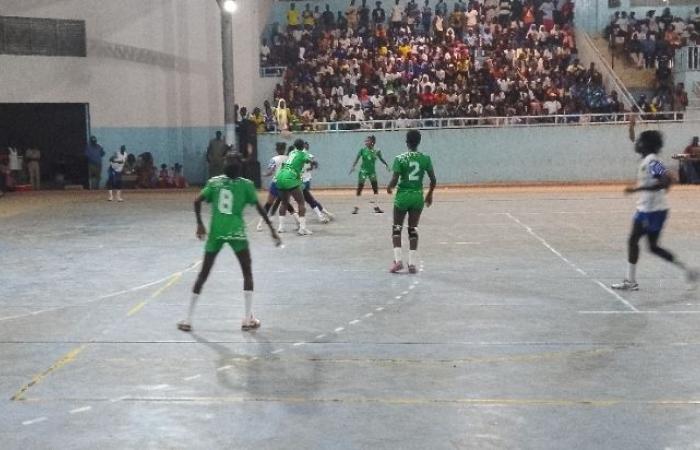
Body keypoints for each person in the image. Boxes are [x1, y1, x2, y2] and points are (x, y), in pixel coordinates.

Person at [178, 155, 281, 332]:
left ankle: (187, 319)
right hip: (237, 233)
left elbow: (197, 201)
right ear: (240, 169)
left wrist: (200, 224)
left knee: (203, 274)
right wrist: (271, 229)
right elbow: (258, 207)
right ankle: (247, 320)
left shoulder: (214, 183)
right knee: (247, 273)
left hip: (216, 233)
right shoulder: (246, 185)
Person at [611, 130, 697, 290]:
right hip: (649, 208)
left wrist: (638, 190)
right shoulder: (648, 160)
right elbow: (667, 180)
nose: (637, 144)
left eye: (640, 141)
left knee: (634, 241)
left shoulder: (651, 161)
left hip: (652, 211)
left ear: (647, 145)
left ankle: (631, 281)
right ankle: (687, 269)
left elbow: (666, 180)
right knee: (652, 247)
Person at [387, 130, 436, 274]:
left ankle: (398, 261)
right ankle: (412, 264)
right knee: (413, 229)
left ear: (406, 142)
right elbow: (433, 180)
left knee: (397, 228)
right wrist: (429, 195)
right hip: (417, 197)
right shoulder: (425, 158)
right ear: (419, 142)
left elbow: (395, 179)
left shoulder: (400, 159)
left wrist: (389, 187)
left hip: (403, 196)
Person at [257, 142, 299, 231]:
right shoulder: (288, 159)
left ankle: (260, 224)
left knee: (268, 204)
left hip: (276, 183)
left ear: (276, 149)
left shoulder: (274, 159)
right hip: (286, 183)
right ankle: (298, 221)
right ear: (284, 149)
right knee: (286, 203)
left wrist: (264, 174)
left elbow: (271, 171)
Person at [275, 139, 313, 235]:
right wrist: (313, 161)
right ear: (303, 146)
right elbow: (309, 160)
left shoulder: (292, 152)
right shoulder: (303, 154)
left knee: (284, 202)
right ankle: (302, 228)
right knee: (301, 202)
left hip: (280, 176)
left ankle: (281, 227)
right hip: (290, 177)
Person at [349, 135, 389, 214]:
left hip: (372, 172)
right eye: (365, 141)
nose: (366, 142)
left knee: (375, 188)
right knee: (360, 188)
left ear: (373, 142)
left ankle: (376, 207)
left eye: (368, 141)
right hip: (363, 171)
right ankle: (356, 207)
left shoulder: (377, 151)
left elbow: (381, 159)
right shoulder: (362, 150)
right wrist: (353, 167)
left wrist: (386, 164)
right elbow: (356, 159)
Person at [301, 141, 335, 223]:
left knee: (307, 200)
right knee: (308, 199)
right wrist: (311, 165)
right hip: (303, 180)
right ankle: (325, 214)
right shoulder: (306, 155)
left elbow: (311, 165)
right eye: (305, 145)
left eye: (307, 145)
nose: (306, 147)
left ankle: (321, 215)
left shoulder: (301, 155)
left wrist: (308, 167)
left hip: (302, 180)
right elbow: (312, 165)